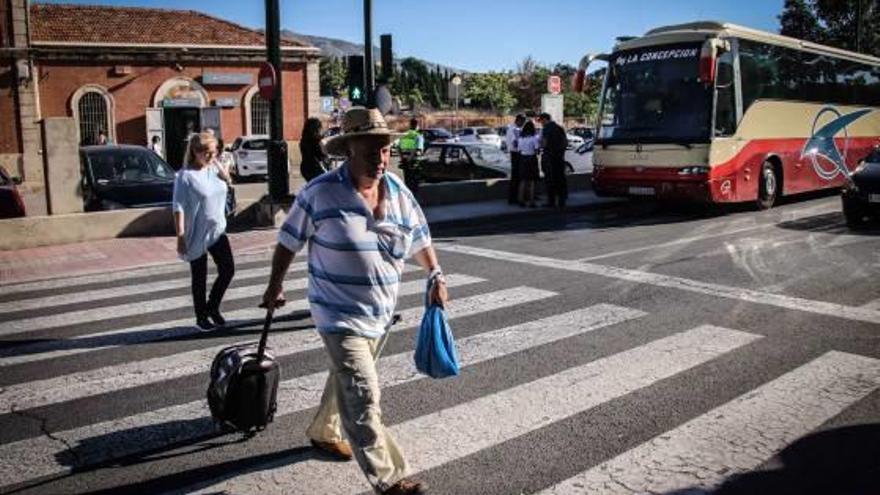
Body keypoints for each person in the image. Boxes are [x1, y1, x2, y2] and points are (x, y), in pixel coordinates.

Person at [262, 107, 447, 495]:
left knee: (344, 378)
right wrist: (275, 285)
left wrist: (435, 274)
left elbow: (419, 238)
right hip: (336, 313)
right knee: (363, 392)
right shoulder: (320, 192)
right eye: (371, 152)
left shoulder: (398, 191)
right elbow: (288, 241)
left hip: (379, 313)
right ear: (348, 150)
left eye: (385, 151)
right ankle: (391, 478)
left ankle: (324, 430)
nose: (381, 160)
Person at [172, 131, 235, 331]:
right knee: (199, 276)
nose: (210, 156)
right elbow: (178, 207)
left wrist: (224, 174)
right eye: (206, 152)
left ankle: (212, 307)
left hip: (217, 228)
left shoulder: (215, 168)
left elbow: (228, 186)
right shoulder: (185, 176)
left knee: (228, 269)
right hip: (196, 231)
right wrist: (180, 236)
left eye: (213, 151)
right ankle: (201, 316)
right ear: (195, 152)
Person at [538, 112, 569, 208]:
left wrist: (541, 145)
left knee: (550, 180)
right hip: (559, 157)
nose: (541, 123)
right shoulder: (560, 128)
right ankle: (562, 201)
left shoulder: (546, 129)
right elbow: (565, 142)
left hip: (549, 157)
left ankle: (551, 202)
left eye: (541, 121)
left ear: (545, 119)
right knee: (560, 178)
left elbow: (544, 143)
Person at [516, 120, 541, 208]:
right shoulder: (534, 138)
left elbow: (519, 150)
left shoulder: (520, 139)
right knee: (532, 181)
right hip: (531, 159)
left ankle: (521, 200)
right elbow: (537, 150)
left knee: (523, 180)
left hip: (522, 159)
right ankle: (531, 202)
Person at [397, 118, 425, 192]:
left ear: (410, 125)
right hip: (414, 162)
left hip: (404, 161)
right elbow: (417, 149)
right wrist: (410, 158)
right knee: (415, 182)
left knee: (407, 179)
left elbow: (398, 147)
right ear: (417, 125)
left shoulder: (404, 135)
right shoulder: (418, 135)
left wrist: (402, 157)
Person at [299, 117, 329, 182]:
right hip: (317, 169)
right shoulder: (317, 142)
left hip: (306, 168)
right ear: (316, 129)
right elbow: (322, 154)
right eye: (320, 128)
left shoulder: (303, 140)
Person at [505, 114, 526, 204]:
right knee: (516, 176)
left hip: (516, 153)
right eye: (522, 122)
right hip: (516, 153)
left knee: (517, 176)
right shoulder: (513, 129)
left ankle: (515, 197)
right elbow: (515, 143)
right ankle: (513, 198)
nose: (523, 124)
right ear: (518, 121)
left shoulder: (514, 129)